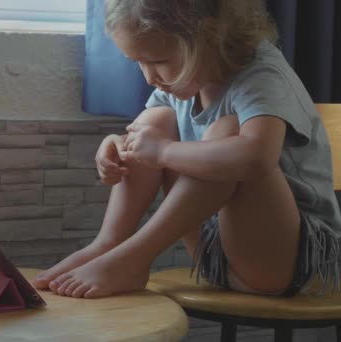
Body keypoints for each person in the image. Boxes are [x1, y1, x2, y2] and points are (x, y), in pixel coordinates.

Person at [32, 0, 341, 299]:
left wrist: (164, 152)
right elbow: (144, 140)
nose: (149, 77)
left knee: (227, 132)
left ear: (209, 36)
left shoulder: (261, 74)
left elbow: (257, 158)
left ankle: (135, 257)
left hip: (294, 265)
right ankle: (110, 243)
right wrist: (117, 147)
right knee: (154, 123)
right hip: (216, 258)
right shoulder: (181, 82)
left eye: (158, 61)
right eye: (137, 62)